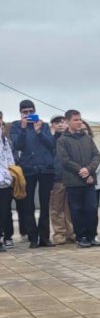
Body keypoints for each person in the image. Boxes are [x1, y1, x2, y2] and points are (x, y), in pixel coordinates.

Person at [10, 100, 56, 248]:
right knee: (28, 206)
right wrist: (23, 129)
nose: (29, 114)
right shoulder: (16, 126)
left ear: (35, 111)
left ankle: (44, 238)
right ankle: (33, 238)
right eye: (25, 112)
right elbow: (18, 145)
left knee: (45, 205)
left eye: (31, 111)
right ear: (21, 113)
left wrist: (39, 132)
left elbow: (52, 144)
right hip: (28, 169)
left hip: (45, 169)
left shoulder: (44, 126)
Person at [56, 110, 100, 248]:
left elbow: (96, 155)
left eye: (80, 119)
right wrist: (80, 170)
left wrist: (89, 170)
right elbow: (65, 160)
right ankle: (81, 237)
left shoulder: (87, 138)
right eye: (75, 120)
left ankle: (92, 235)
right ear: (68, 121)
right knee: (77, 210)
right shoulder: (62, 140)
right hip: (73, 181)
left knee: (91, 209)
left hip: (89, 181)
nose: (79, 122)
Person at [48, 116, 75, 245]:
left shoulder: (71, 137)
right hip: (56, 177)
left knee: (70, 207)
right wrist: (50, 135)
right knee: (56, 208)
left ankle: (71, 232)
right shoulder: (49, 139)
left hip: (71, 176)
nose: (60, 125)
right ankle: (59, 233)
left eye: (63, 122)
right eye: (56, 122)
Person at [0, 121, 15, 253]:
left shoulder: (4, 139)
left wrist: (11, 173)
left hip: (4, 181)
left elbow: (10, 158)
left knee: (4, 212)